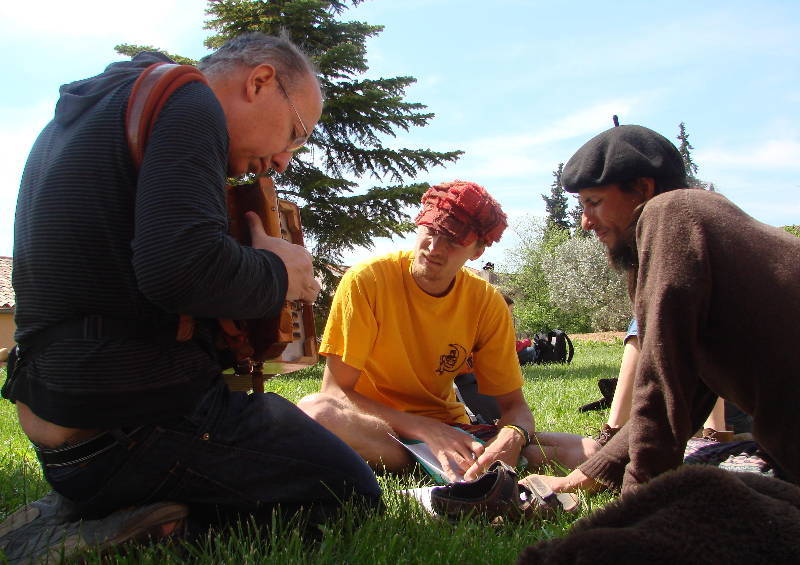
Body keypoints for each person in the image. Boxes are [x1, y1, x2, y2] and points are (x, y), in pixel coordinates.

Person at [1, 32, 380, 561]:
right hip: (131, 430)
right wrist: (282, 271)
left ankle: (89, 505)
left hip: (65, 437)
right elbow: (180, 270)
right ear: (260, 81)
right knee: (351, 493)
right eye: (295, 134)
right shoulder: (191, 100)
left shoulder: (97, 109)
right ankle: (126, 528)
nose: (282, 161)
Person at [524, 123, 800, 495]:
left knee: (705, 489)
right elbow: (687, 388)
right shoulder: (694, 222)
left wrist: (636, 504)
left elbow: (662, 378)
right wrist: (582, 479)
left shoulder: (670, 213)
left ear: (642, 189)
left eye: (594, 202)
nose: (585, 222)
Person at [298, 180, 598, 483]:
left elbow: (515, 407)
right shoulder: (367, 280)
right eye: (431, 230)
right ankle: (454, 468)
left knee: (587, 451)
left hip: (454, 431)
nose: (434, 248)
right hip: (378, 428)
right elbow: (335, 392)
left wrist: (513, 436)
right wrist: (425, 430)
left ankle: (458, 465)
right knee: (316, 412)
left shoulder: (486, 302)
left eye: (453, 241)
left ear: (477, 251)